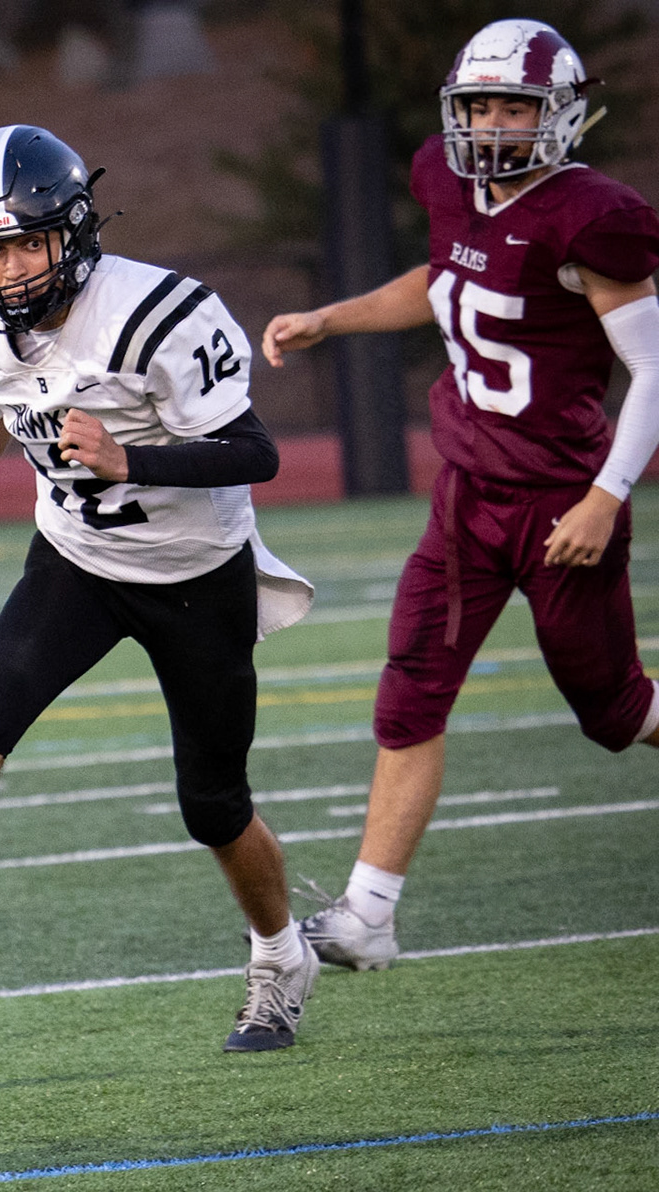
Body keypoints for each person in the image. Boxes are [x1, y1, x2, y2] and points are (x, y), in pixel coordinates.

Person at [0, 125, 318, 1055]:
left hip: (196, 573)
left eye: (23, 244)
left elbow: (257, 452)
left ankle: (282, 959)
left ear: (73, 232)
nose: (4, 271)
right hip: (76, 560)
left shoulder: (158, 310)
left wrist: (130, 456)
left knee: (212, 801)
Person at [262, 19, 659, 971]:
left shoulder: (591, 216)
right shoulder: (448, 182)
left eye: (515, 107)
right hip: (466, 495)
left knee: (613, 715)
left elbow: (653, 369)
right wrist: (334, 317)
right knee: (410, 693)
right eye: (480, 105)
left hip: (563, 500)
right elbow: (448, 282)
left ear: (560, 115)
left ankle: (368, 911)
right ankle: (368, 914)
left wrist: (605, 496)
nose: (492, 124)